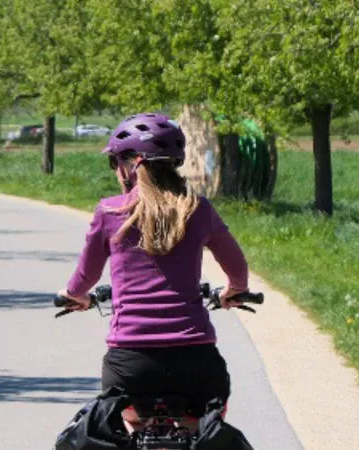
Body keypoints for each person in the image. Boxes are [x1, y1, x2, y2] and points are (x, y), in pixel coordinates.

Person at [55, 113, 251, 432]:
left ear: (129, 164)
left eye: (115, 163)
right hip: (196, 360)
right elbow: (237, 267)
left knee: (128, 424)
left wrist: (73, 296)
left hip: (131, 363)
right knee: (203, 429)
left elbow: (85, 278)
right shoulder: (198, 209)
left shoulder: (109, 211)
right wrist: (234, 290)